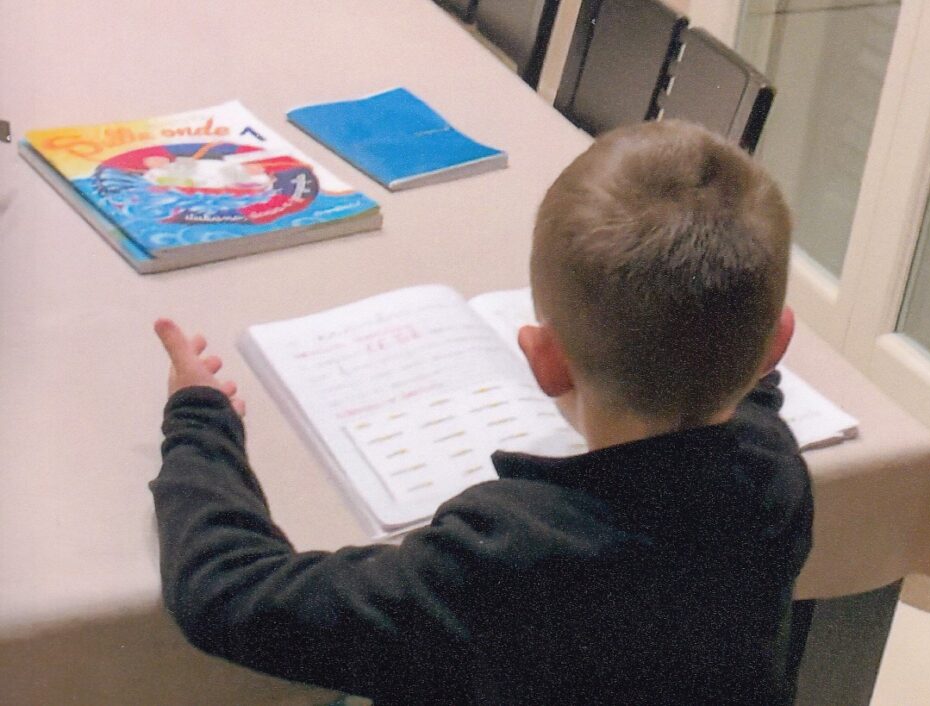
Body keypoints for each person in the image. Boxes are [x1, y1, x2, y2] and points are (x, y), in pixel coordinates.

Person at [151, 120, 812, 705]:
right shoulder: (773, 474)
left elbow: (226, 593)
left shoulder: (506, 557)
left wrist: (199, 422)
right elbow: (750, 400)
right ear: (775, 344)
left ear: (544, 360)